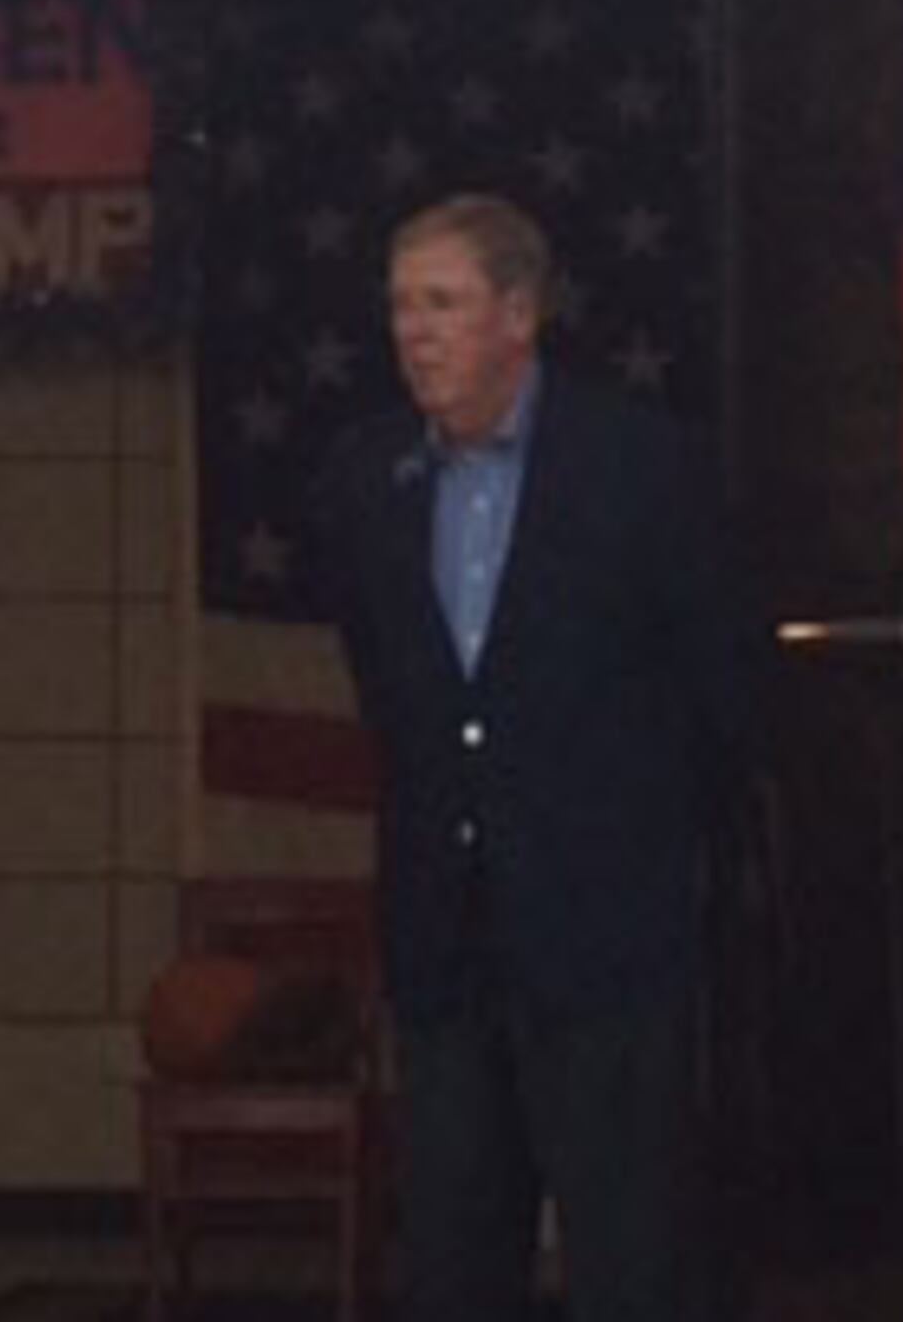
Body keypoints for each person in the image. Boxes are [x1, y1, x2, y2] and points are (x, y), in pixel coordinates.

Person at [308, 194, 754, 1322]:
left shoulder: (638, 466)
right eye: (401, 305)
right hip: (446, 933)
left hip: (605, 930)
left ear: (519, 315)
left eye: (443, 304)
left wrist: (650, 849)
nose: (415, 331)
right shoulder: (369, 478)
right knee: (456, 1253)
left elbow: (719, 688)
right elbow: (385, 681)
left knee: (630, 1254)